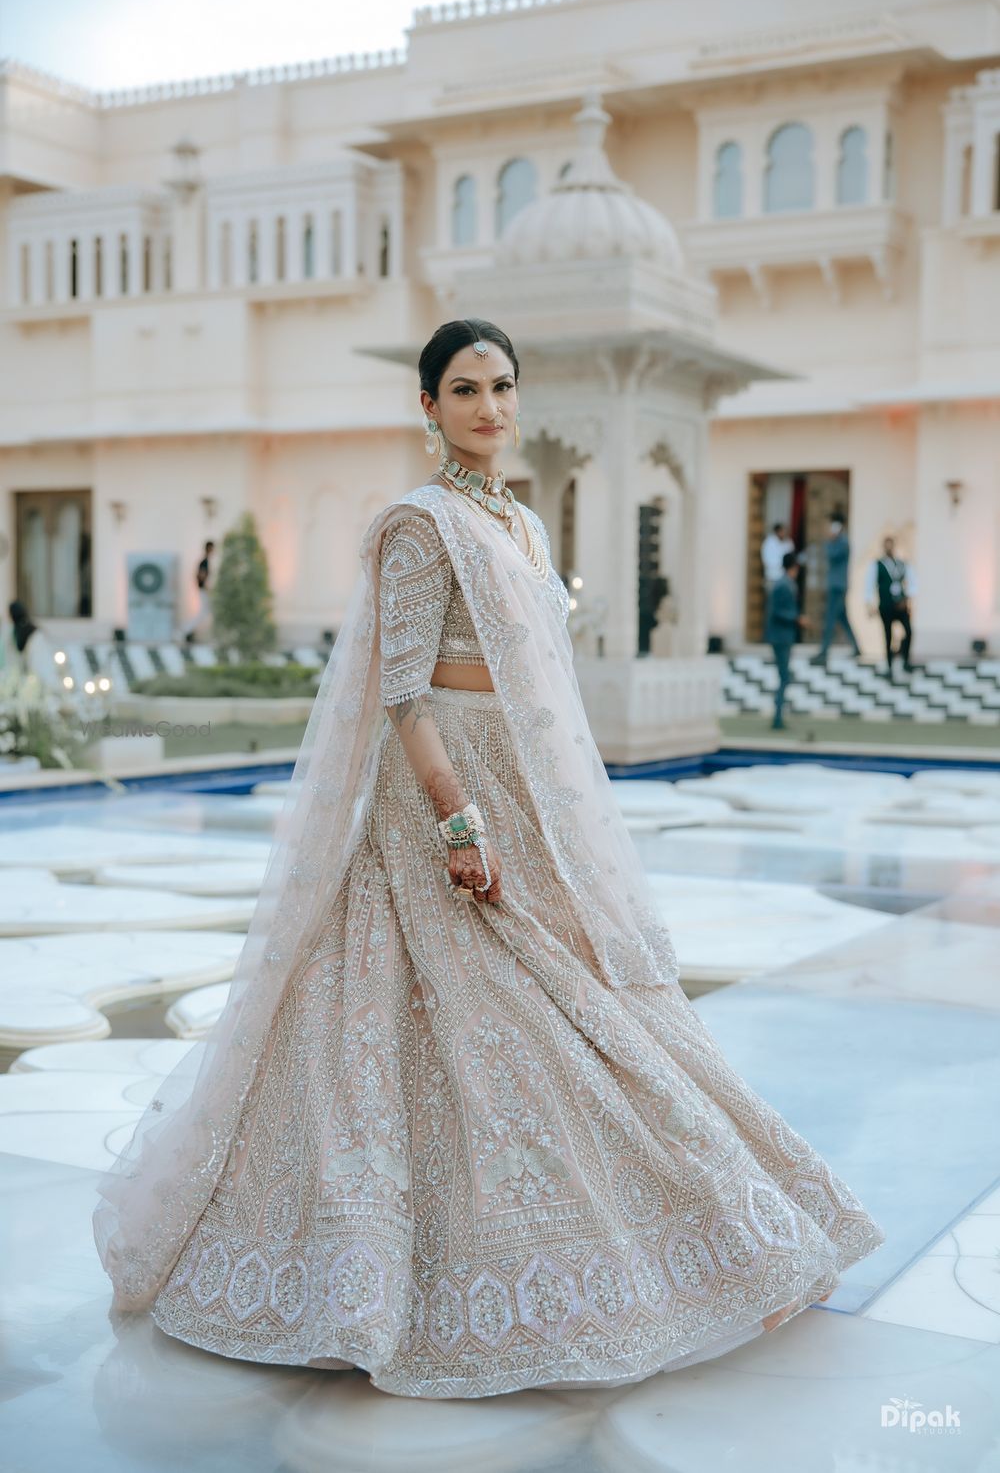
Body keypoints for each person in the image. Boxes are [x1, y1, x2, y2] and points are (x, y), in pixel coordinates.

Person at [93, 318, 884, 1398]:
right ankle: (396, 1275)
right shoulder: (418, 527)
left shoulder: (517, 522)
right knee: (477, 1024)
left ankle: (708, 1239)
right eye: (463, 390)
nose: (489, 409)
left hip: (522, 782)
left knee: (594, 1008)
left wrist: (540, 803)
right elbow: (404, 691)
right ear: (427, 406)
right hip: (445, 792)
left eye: (502, 387)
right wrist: (457, 817)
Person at [764, 551, 811, 730]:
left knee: (784, 676)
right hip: (780, 636)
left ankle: (779, 715)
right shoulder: (782, 585)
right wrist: (796, 618)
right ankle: (777, 717)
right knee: (784, 676)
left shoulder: (785, 584)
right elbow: (776, 611)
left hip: (784, 636)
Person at [813, 512, 861, 667]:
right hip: (835, 584)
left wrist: (830, 540)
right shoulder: (838, 541)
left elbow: (831, 555)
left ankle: (824, 650)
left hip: (838, 586)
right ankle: (856, 647)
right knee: (842, 618)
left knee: (830, 618)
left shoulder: (842, 542)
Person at [865, 535, 917, 677]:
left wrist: (907, 600)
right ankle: (889, 665)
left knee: (908, 631)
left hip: (900, 605)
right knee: (888, 635)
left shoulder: (902, 564)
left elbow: (913, 583)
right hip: (886, 605)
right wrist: (869, 604)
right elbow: (869, 585)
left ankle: (905, 660)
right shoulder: (877, 564)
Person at [5, 599, 61, 692]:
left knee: (40, 678)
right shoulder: (25, 624)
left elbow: (20, 648)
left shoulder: (21, 628)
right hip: (37, 653)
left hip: (36, 655)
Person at [186, 539, 215, 643]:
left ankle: (187, 630)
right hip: (203, 590)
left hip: (203, 589)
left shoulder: (206, 561)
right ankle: (186, 630)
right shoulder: (204, 562)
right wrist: (206, 587)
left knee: (205, 612)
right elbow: (200, 576)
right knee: (203, 612)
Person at [760, 520, 794, 597]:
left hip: (785, 579)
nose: (784, 533)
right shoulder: (769, 542)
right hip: (773, 577)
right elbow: (768, 561)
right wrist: (781, 565)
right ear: (777, 531)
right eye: (782, 531)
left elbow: (791, 558)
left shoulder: (788, 542)